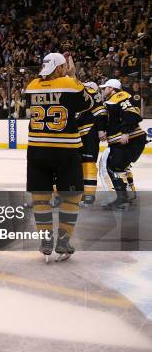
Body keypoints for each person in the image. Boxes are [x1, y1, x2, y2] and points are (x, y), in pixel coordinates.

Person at [25, 53, 93, 263]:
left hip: (37, 149)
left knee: (40, 197)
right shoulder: (70, 84)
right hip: (66, 150)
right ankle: (63, 241)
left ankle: (46, 241)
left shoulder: (32, 86)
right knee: (71, 197)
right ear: (60, 68)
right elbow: (88, 104)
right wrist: (74, 76)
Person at [99, 79, 146, 209]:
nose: (103, 90)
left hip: (129, 140)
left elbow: (131, 113)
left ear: (112, 89)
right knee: (120, 168)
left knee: (113, 167)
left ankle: (122, 199)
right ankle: (128, 195)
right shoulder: (110, 100)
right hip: (124, 141)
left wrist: (126, 131)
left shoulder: (120, 96)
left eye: (105, 88)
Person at [77, 81, 107, 205]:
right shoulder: (83, 97)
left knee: (88, 163)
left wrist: (101, 129)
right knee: (79, 165)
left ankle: (89, 194)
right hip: (80, 133)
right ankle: (83, 193)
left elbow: (101, 113)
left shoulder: (92, 93)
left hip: (89, 132)